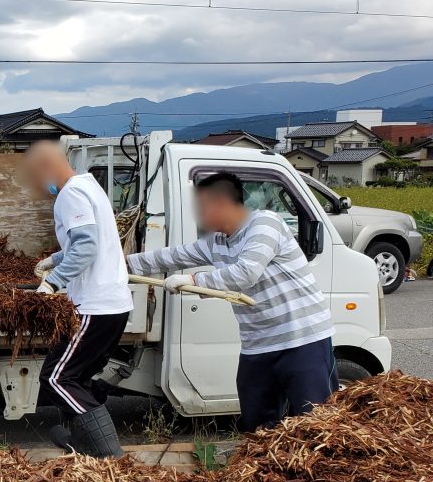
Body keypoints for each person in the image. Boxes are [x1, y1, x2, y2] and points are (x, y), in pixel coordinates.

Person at [128, 171, 335, 431]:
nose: (198, 216)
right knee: (258, 427)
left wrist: (194, 280)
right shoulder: (216, 242)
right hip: (257, 345)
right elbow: (169, 257)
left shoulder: (265, 224)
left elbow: (246, 273)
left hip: (303, 340)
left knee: (317, 424)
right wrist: (120, 265)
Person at [24, 142, 132, 458]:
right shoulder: (89, 186)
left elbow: (86, 247)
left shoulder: (70, 194)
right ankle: (84, 446)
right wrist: (56, 259)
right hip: (113, 305)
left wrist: (52, 284)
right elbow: (85, 240)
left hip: (93, 306)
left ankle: (108, 454)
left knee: (56, 378)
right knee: (78, 378)